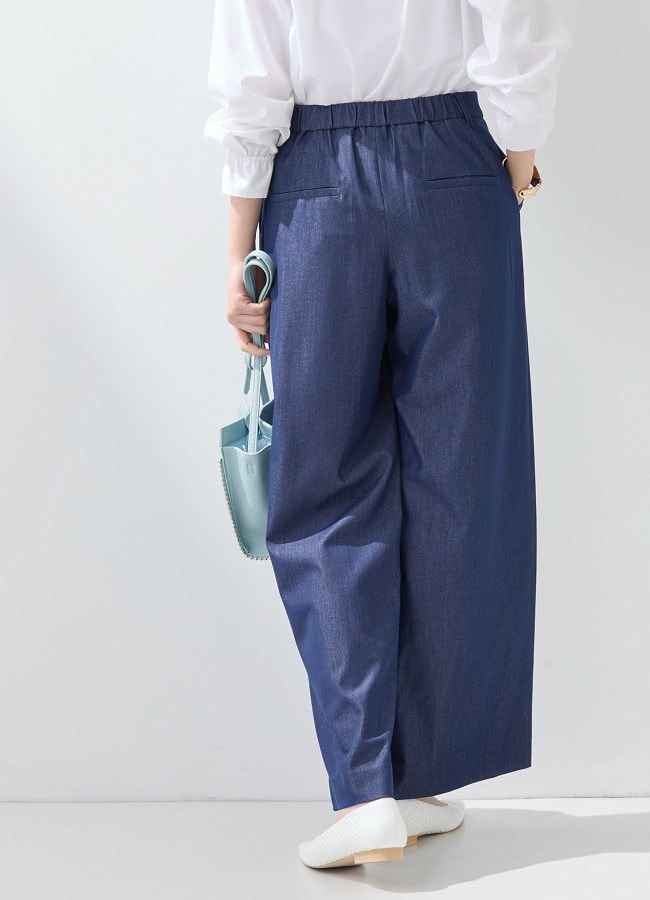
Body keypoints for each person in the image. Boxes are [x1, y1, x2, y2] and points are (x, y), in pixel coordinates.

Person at [204, 0, 572, 870]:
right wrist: (519, 158)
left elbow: (252, 78)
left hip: (314, 179)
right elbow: (514, 20)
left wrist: (239, 248)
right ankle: (415, 778)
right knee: (463, 472)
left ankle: (371, 791)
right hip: (458, 167)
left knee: (325, 483)